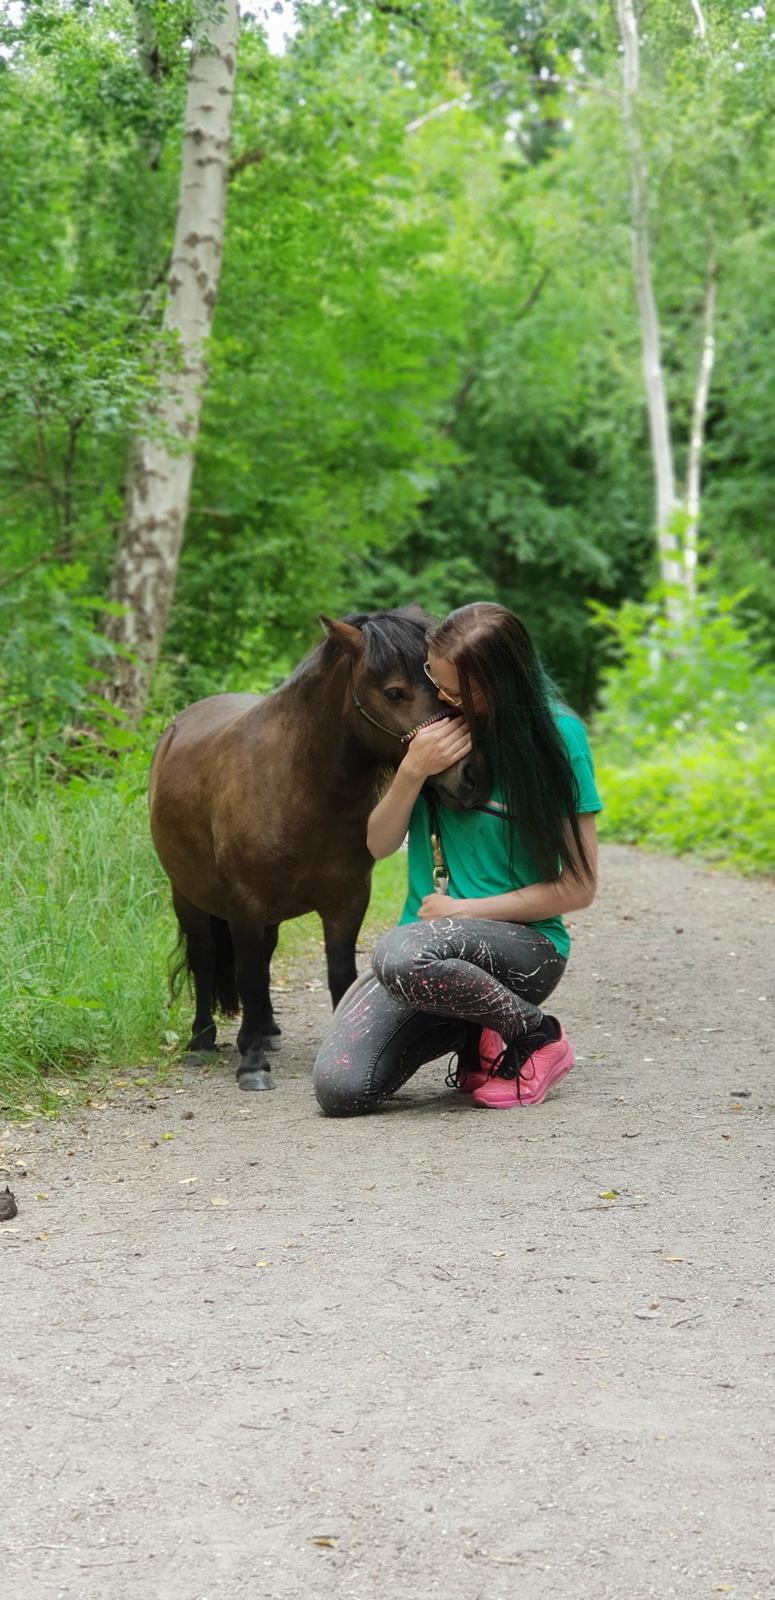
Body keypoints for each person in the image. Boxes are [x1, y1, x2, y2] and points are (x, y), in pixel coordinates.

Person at [312, 602, 602, 1115]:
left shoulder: (560, 739)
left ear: (500, 683)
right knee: (341, 1089)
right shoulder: (436, 733)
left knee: (398, 954)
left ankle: (537, 1036)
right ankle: (478, 1036)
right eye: (435, 680)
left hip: (523, 949)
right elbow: (378, 845)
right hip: (428, 959)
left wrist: (461, 913)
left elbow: (578, 888)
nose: (442, 698)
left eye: (454, 689)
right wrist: (412, 770)